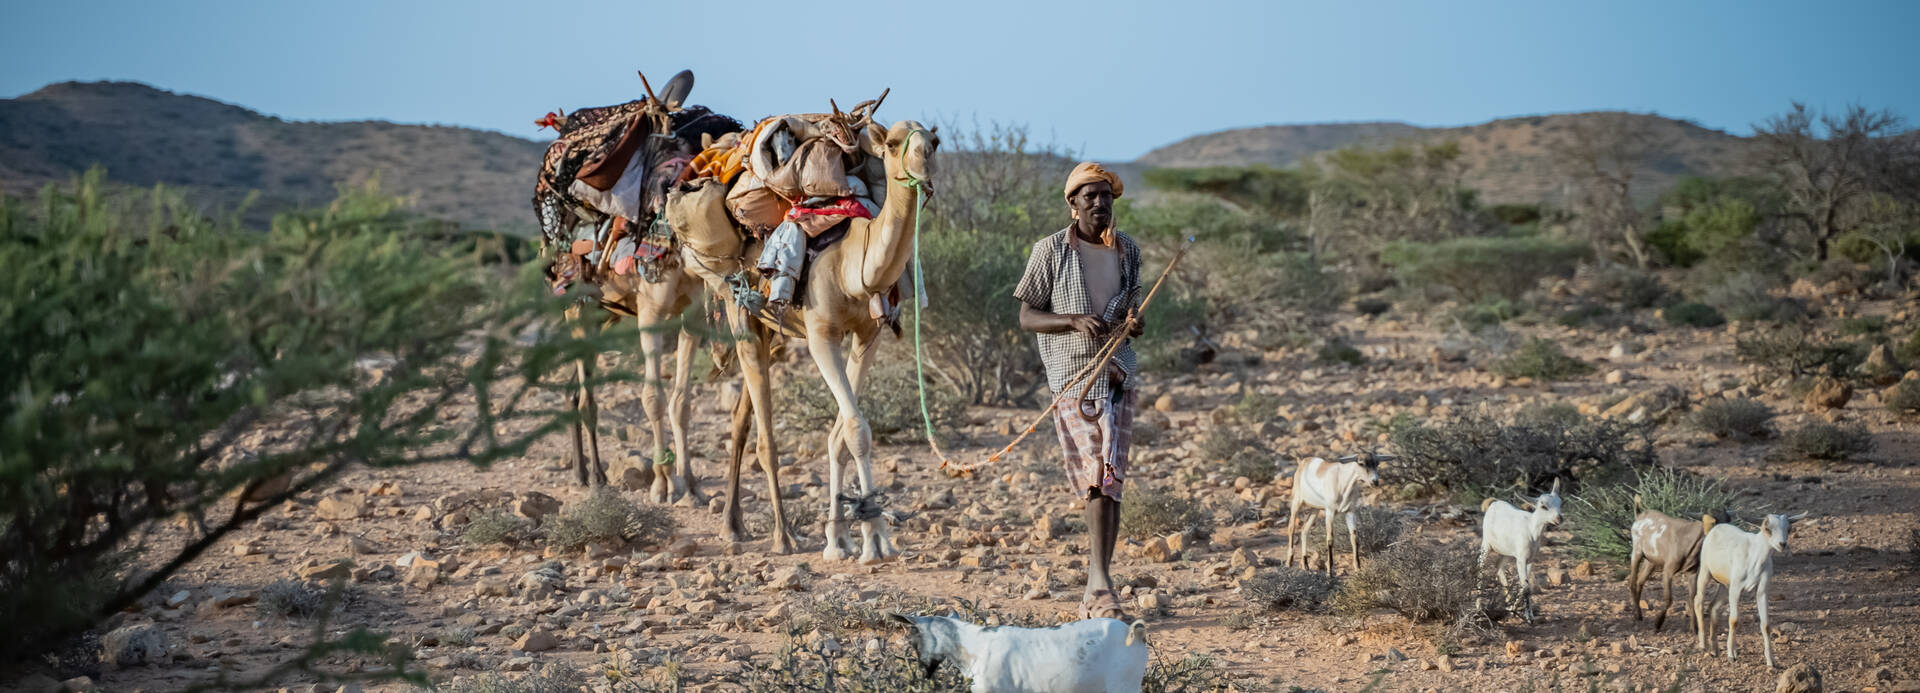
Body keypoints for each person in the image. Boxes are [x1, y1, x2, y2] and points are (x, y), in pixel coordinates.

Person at [1013, 161, 1144, 621]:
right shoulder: (1049, 250)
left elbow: (1132, 309)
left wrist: (1134, 324)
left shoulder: (1127, 251)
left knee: (1112, 476)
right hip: (1073, 377)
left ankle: (1100, 582)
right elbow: (1027, 316)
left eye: (1105, 195)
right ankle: (1099, 584)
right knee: (1095, 471)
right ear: (1072, 204)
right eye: (1089, 196)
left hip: (1119, 374)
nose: (1099, 203)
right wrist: (1071, 320)